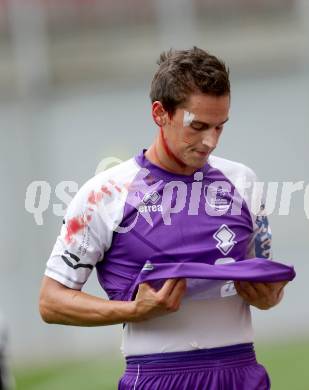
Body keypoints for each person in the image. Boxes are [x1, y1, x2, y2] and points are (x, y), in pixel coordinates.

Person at [39, 47, 289, 389]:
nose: (210, 141)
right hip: (158, 377)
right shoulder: (104, 194)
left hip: (241, 373)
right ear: (160, 113)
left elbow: (264, 283)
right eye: (198, 126)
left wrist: (267, 297)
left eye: (219, 127)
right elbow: (51, 301)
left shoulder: (243, 182)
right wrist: (134, 311)